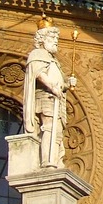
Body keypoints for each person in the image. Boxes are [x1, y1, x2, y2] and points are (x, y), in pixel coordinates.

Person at [22, 21, 75, 169]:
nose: (55, 42)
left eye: (56, 39)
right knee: (49, 127)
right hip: (45, 97)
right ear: (42, 40)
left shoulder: (53, 60)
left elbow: (58, 82)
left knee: (57, 130)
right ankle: (47, 161)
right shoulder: (37, 54)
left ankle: (55, 159)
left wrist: (66, 84)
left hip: (55, 98)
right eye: (52, 39)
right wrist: (52, 86)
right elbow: (38, 73)